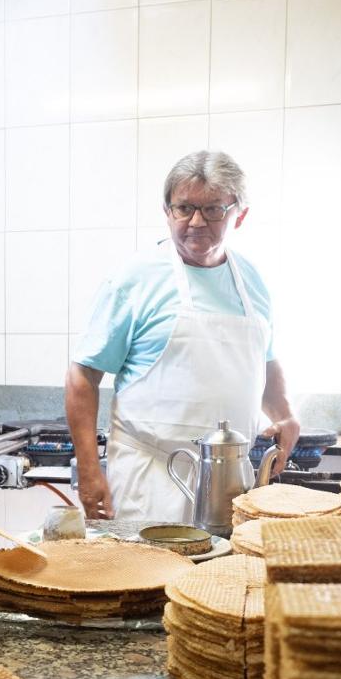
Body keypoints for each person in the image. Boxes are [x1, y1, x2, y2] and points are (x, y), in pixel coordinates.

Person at [65, 149, 299, 523]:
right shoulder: (135, 278)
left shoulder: (252, 281)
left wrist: (285, 414)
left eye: (213, 209)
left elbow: (265, 361)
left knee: (218, 579)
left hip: (231, 483)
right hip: (150, 481)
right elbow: (83, 376)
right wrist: (90, 471)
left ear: (240, 215)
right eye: (183, 208)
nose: (195, 221)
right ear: (166, 211)